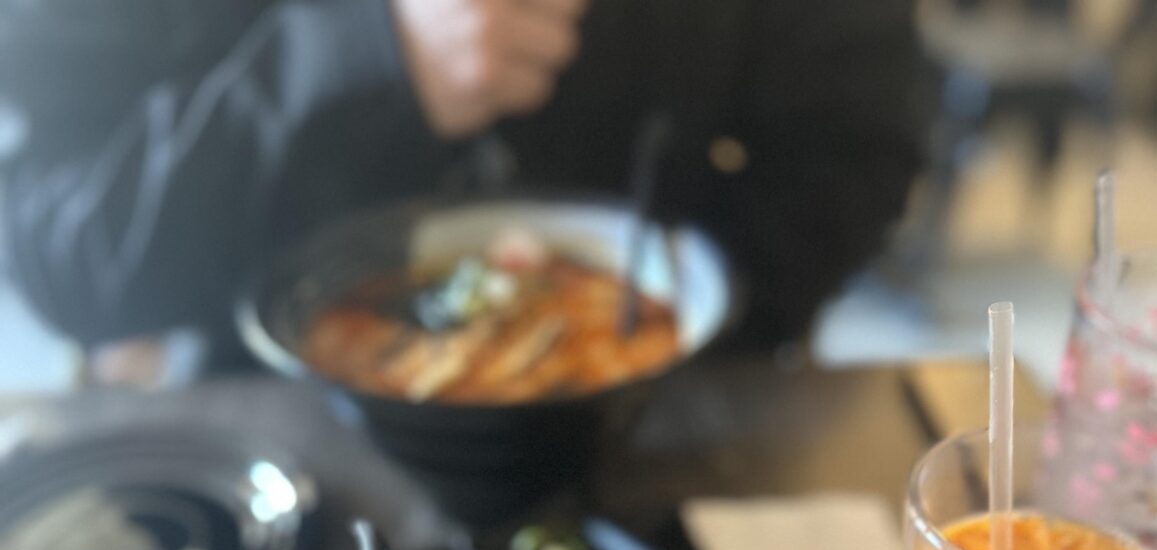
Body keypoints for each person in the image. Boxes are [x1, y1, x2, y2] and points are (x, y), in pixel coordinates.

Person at [0, 0, 924, 363]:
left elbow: (862, 145)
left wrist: (665, 340)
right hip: (281, 433)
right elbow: (63, 245)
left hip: (676, 423)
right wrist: (367, 65)